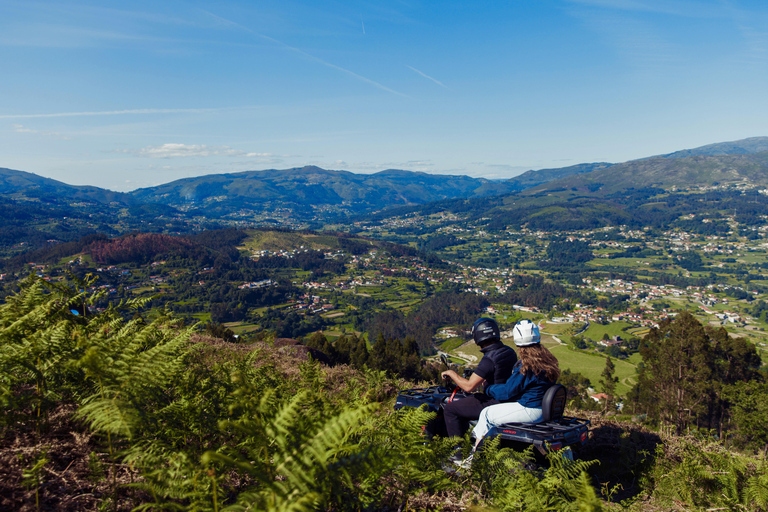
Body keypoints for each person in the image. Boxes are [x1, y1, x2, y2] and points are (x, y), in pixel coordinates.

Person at [458, 319, 560, 468]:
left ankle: (473, 460)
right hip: (542, 408)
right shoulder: (547, 360)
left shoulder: (527, 365)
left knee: (487, 414)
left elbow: (507, 392)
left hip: (530, 408)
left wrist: (487, 388)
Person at [440, 317, 518, 442]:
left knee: (450, 409)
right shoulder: (509, 351)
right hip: (509, 399)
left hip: (494, 402)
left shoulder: (489, 359)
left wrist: (451, 374)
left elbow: (469, 387)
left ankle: (457, 453)